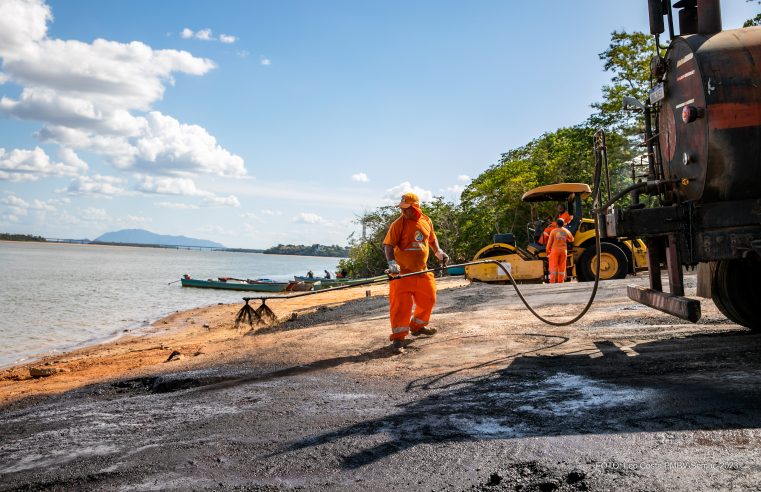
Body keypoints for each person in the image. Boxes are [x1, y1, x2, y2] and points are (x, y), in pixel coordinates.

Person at [383, 192, 449, 353]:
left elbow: (431, 239)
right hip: (401, 274)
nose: (403, 212)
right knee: (401, 307)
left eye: (406, 209)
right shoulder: (398, 224)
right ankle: (398, 339)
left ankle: (418, 327)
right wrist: (392, 263)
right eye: (402, 209)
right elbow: (388, 245)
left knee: (429, 299)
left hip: (421, 271)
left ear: (416, 207)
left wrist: (438, 251)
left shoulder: (426, 221)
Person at [546, 218, 574, 283]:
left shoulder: (553, 231)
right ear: (563, 224)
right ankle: (561, 282)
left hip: (555, 251)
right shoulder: (566, 231)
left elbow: (549, 244)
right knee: (562, 267)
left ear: (556, 224)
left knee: (553, 266)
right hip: (563, 251)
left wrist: (548, 252)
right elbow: (572, 239)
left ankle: (552, 282)